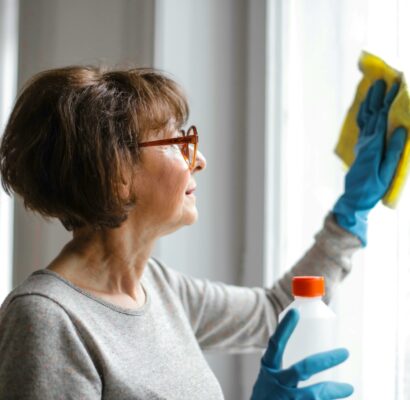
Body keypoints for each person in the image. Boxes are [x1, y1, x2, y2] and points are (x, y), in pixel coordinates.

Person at [0, 65, 404, 399]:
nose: (200, 161)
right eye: (178, 142)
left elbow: (276, 311)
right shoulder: (48, 319)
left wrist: (352, 211)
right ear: (116, 171)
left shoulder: (157, 286)